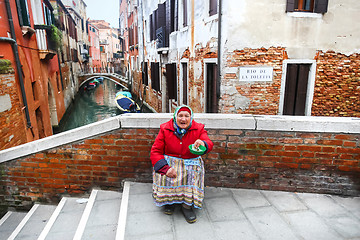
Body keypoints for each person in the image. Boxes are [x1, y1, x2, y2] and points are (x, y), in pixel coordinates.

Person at [150, 105, 213, 223]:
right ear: (175, 117)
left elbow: (209, 142)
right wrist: (165, 168)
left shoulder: (199, 129)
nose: (183, 119)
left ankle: (186, 206)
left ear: (191, 118)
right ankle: (169, 201)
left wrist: (203, 143)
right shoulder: (165, 129)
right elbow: (156, 151)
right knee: (165, 175)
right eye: (180, 116)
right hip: (170, 162)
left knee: (191, 174)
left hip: (190, 162)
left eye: (186, 116)